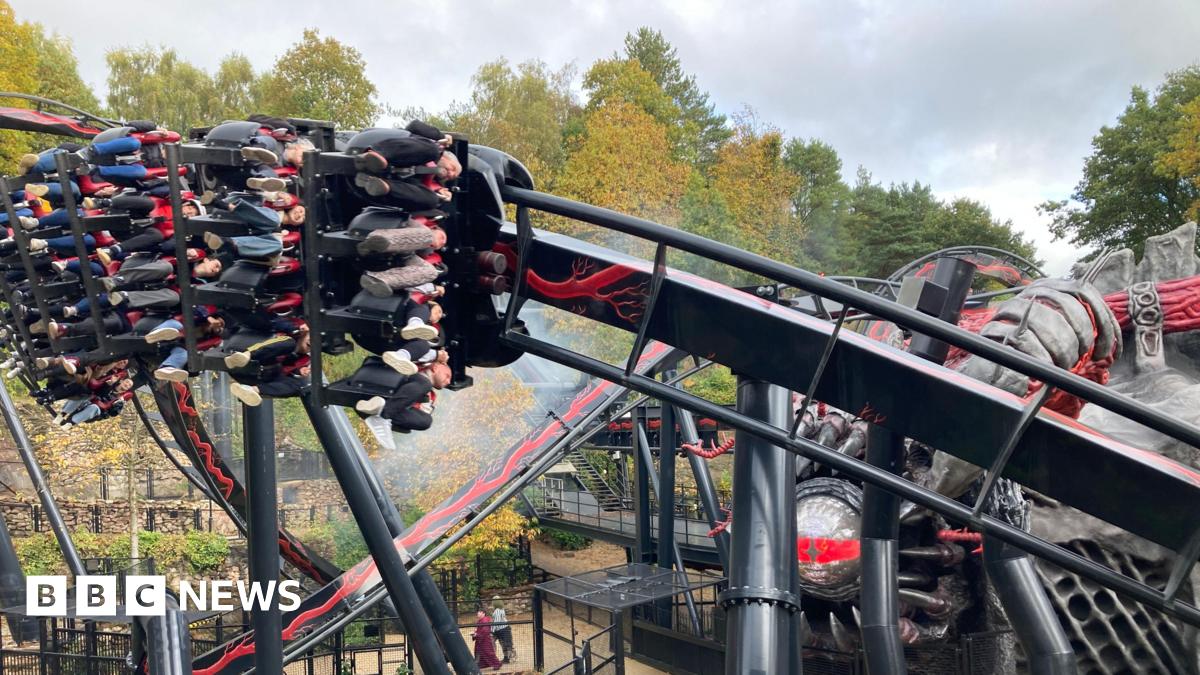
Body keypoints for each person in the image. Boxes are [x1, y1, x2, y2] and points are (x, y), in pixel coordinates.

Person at [491, 597, 515, 664]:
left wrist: (492, 631)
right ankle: (506, 658)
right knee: (504, 644)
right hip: (501, 629)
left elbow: (497, 622)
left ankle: (509, 658)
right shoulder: (501, 609)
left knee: (506, 644)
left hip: (503, 629)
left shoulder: (498, 610)